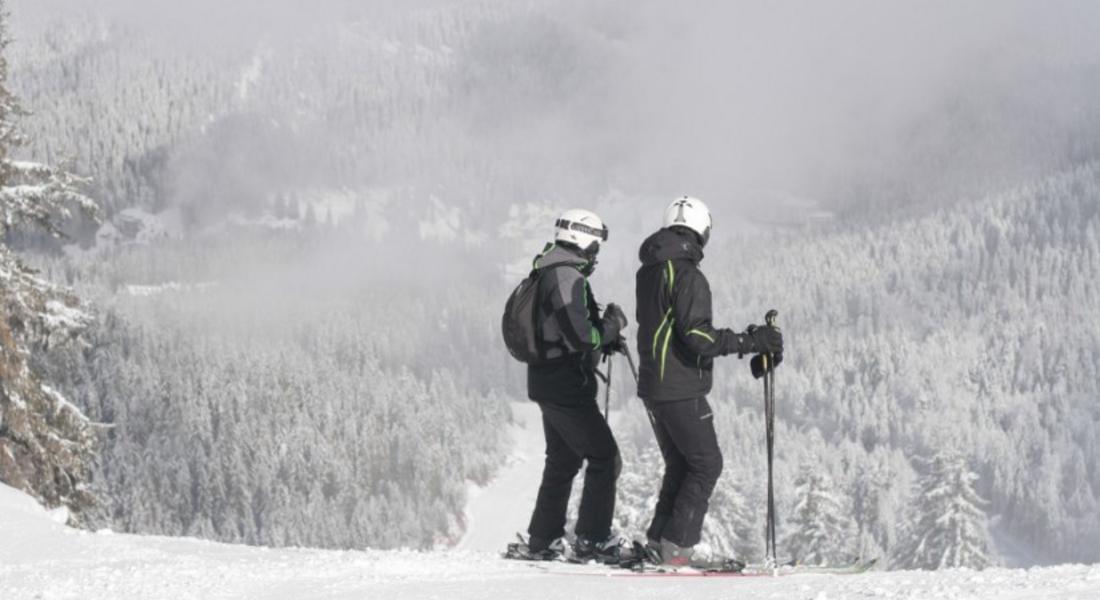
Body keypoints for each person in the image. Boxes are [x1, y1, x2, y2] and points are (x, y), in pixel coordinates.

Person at [634, 197, 783, 566]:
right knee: (706, 464)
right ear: (703, 232)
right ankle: (679, 548)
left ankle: (660, 540)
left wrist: (743, 341)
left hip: (654, 386)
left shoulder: (651, 269)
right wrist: (750, 342)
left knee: (681, 464)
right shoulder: (687, 274)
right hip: (680, 387)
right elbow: (697, 337)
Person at [520, 208, 629, 562]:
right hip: (566, 384)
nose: (597, 251)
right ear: (583, 238)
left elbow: (567, 330)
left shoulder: (547, 270)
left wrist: (601, 334)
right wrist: (610, 328)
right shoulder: (566, 276)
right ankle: (592, 539)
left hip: (546, 379)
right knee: (604, 456)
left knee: (563, 459)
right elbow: (582, 336)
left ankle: (543, 538)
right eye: (596, 243)